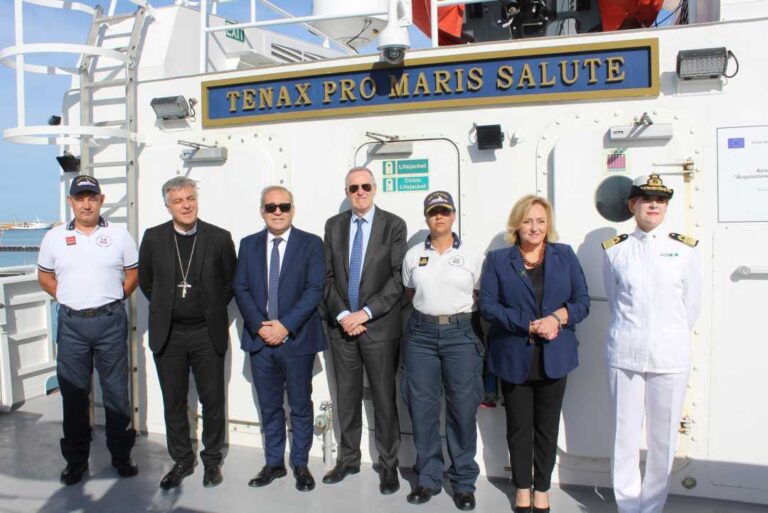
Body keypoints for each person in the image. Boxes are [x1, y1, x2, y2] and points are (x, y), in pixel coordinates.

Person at [479, 195, 590, 513]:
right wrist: (527, 324)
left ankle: (542, 488)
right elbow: (488, 306)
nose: (534, 227)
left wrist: (556, 319)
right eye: (527, 221)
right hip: (514, 356)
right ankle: (522, 488)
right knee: (518, 427)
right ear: (516, 224)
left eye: (541, 221)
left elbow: (582, 302)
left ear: (548, 224)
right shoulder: (498, 260)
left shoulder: (564, 255)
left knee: (547, 427)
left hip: (554, 356)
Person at [602, 174, 702, 513]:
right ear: (633, 205)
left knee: (663, 440)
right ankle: (629, 506)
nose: (654, 205)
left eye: (661, 200)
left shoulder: (685, 250)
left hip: (669, 356)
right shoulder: (616, 251)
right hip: (625, 353)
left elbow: (691, 307)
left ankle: (652, 507)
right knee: (624, 437)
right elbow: (615, 301)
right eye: (646, 199)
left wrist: (666, 336)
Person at [37, 175, 139, 485]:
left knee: (117, 393)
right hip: (72, 325)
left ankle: (121, 456)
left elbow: (133, 275)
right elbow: (45, 278)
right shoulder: (54, 237)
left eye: (91, 198)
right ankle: (76, 461)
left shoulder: (119, 236)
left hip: (110, 322)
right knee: (74, 394)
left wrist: (111, 299)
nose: (86, 204)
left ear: (101, 200)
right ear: (71, 202)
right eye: (80, 198)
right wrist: (70, 299)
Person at [138, 176, 236, 489]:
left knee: (213, 401)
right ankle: (181, 460)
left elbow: (229, 282)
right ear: (168, 206)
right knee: (174, 402)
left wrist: (210, 308)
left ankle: (212, 460)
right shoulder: (153, 238)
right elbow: (147, 282)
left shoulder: (218, 237)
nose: (186, 205)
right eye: (178, 201)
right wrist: (169, 307)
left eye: (190, 198)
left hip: (206, 333)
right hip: (169, 335)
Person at [233, 185, 326, 492]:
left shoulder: (311, 244)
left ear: (292, 210)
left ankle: (300, 463)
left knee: (299, 405)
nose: (277, 212)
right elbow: (240, 288)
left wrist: (285, 326)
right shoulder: (248, 244)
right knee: (270, 406)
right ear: (262, 211)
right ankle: (274, 463)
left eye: (283, 207)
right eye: (271, 207)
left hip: (296, 340)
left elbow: (314, 289)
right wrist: (260, 326)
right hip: (260, 341)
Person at [322, 166, 407, 493]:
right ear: (347, 192)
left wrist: (365, 313)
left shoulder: (393, 225)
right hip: (343, 328)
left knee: (384, 399)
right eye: (353, 188)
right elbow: (327, 277)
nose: (359, 192)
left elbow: (398, 278)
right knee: (346, 397)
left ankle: (389, 465)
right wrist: (344, 314)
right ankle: (348, 459)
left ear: (374, 189)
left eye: (365, 187)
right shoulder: (334, 226)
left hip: (379, 328)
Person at [401, 191, 484, 511]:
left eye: (444, 211)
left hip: (460, 334)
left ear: (453, 216)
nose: (439, 216)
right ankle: (428, 478)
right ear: (426, 217)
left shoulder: (472, 256)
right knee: (422, 409)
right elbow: (410, 292)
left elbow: (480, 294)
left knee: (462, 409)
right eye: (433, 212)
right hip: (421, 335)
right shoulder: (413, 256)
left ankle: (463, 482)